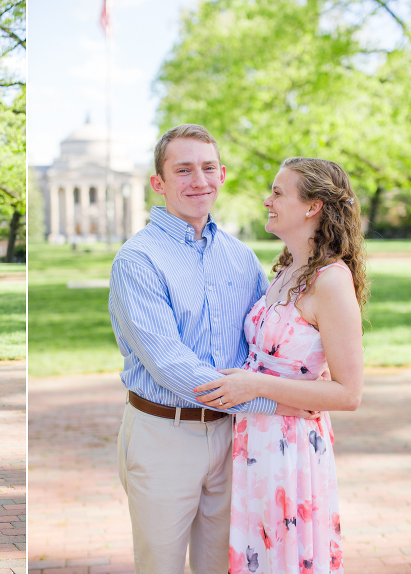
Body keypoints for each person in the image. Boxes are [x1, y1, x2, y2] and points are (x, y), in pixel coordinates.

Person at [109, 124, 318, 574]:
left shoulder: (241, 257)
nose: (198, 181)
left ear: (222, 175)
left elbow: (263, 339)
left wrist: (299, 381)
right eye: (183, 170)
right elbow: (169, 364)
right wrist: (275, 400)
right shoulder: (137, 259)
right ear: (158, 183)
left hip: (236, 437)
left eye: (207, 168)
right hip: (164, 433)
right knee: (159, 566)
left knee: (224, 564)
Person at [194, 157, 367, 573]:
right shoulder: (288, 268)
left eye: (277, 192)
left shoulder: (331, 280)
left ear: (312, 207)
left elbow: (348, 393)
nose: (267, 199)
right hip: (254, 440)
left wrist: (256, 386)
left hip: (291, 451)